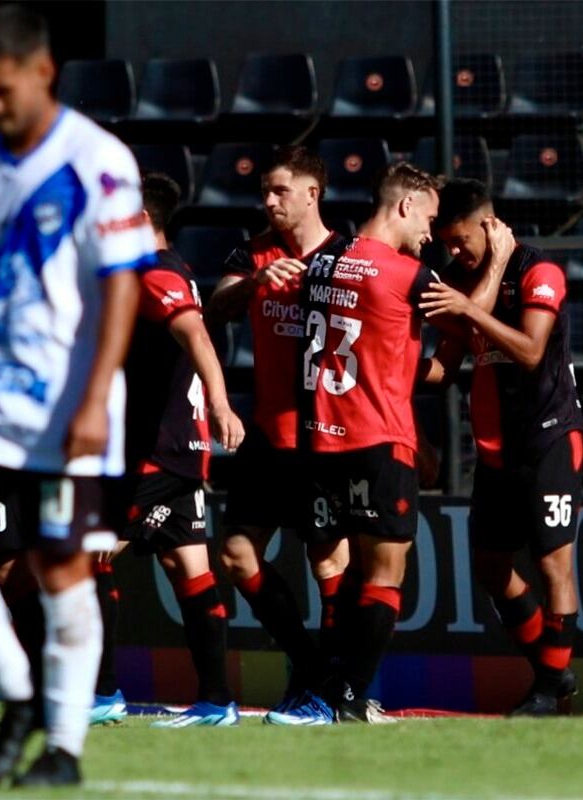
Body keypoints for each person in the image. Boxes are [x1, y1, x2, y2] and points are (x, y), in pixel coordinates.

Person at [0, 4, 153, 787]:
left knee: (60, 574)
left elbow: (122, 286)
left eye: (3, 91)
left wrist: (94, 398)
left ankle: (64, 749)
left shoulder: (98, 160)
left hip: (66, 403)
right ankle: (21, 697)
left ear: (43, 72)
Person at [419, 178, 583, 716]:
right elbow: (444, 367)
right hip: (495, 449)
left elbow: (531, 351)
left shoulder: (539, 270)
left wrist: (470, 312)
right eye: (446, 242)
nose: (453, 251)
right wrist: (394, 369)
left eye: (460, 239)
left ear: (489, 225)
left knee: (554, 567)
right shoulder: (460, 281)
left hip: (548, 437)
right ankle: (553, 672)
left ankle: (548, 690)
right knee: (491, 569)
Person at [92, 174, 246, 728]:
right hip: (177, 450)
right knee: (190, 568)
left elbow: (197, 336)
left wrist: (223, 405)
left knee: (86, 557)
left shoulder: (156, 274)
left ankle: (100, 693)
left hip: (155, 454)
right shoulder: (162, 270)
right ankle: (217, 700)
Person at [207, 146, 351, 725]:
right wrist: (255, 282)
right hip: (268, 436)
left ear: (313, 193)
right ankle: (311, 667)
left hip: (326, 437)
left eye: (280, 191)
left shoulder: (348, 256)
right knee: (237, 554)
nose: (268, 201)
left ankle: (334, 691)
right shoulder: (254, 252)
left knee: (329, 563)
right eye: (264, 191)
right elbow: (214, 308)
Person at [300, 163, 442, 722]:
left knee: (341, 573)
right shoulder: (407, 273)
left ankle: (323, 690)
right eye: (429, 218)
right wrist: (499, 263)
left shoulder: (323, 261)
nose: (430, 232)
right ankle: (352, 697)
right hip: (378, 438)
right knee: (384, 575)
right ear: (405, 206)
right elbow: (469, 319)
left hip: (321, 435)